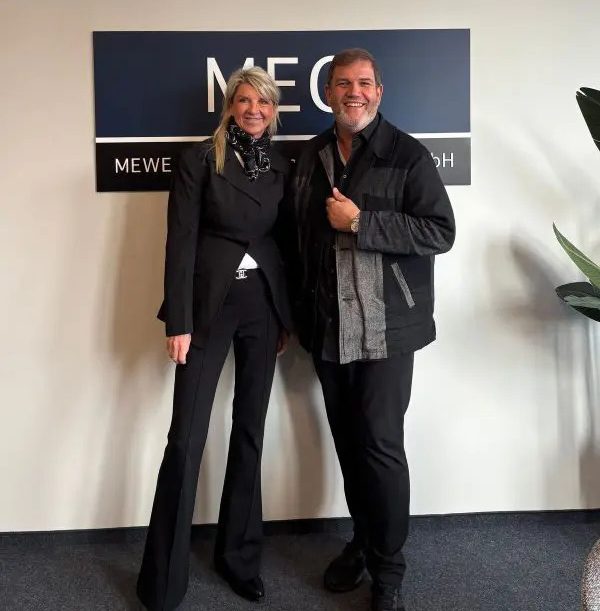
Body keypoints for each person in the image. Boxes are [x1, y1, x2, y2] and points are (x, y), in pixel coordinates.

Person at [287, 49, 455, 611]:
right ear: (327, 93)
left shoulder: (408, 155)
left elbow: (439, 232)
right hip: (328, 328)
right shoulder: (310, 156)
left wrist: (360, 222)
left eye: (363, 83)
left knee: (380, 447)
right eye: (342, 83)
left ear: (379, 91)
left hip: (387, 331)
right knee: (349, 444)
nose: (353, 92)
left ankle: (389, 572)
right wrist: (295, 313)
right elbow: (296, 240)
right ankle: (361, 541)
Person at [137, 66, 292, 611]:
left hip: (263, 308)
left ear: (273, 111)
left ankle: (239, 559)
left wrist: (285, 318)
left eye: (264, 102)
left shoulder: (281, 165)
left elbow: (286, 243)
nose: (254, 110)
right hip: (207, 309)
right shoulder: (200, 159)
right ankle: (163, 581)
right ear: (229, 107)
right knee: (186, 438)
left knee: (250, 431)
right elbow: (179, 241)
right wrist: (178, 321)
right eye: (244, 100)